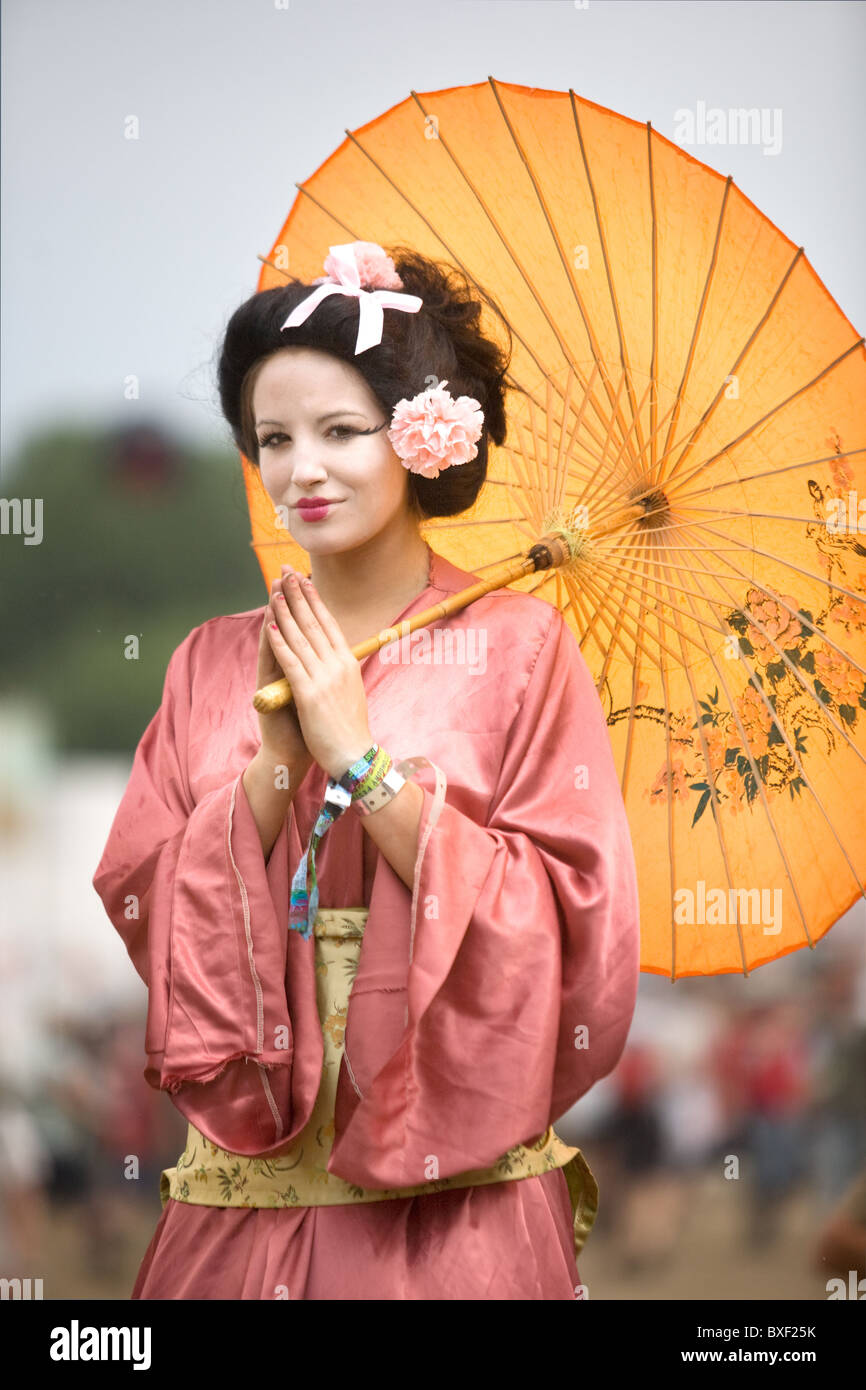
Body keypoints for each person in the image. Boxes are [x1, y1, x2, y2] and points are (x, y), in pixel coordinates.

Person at [92, 240, 641, 1300]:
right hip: (239, 1207)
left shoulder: (519, 645)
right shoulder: (209, 659)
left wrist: (361, 763)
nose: (302, 470)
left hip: (451, 1219)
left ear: (420, 435)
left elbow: (567, 917)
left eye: (342, 431)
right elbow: (142, 894)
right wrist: (273, 768)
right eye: (274, 438)